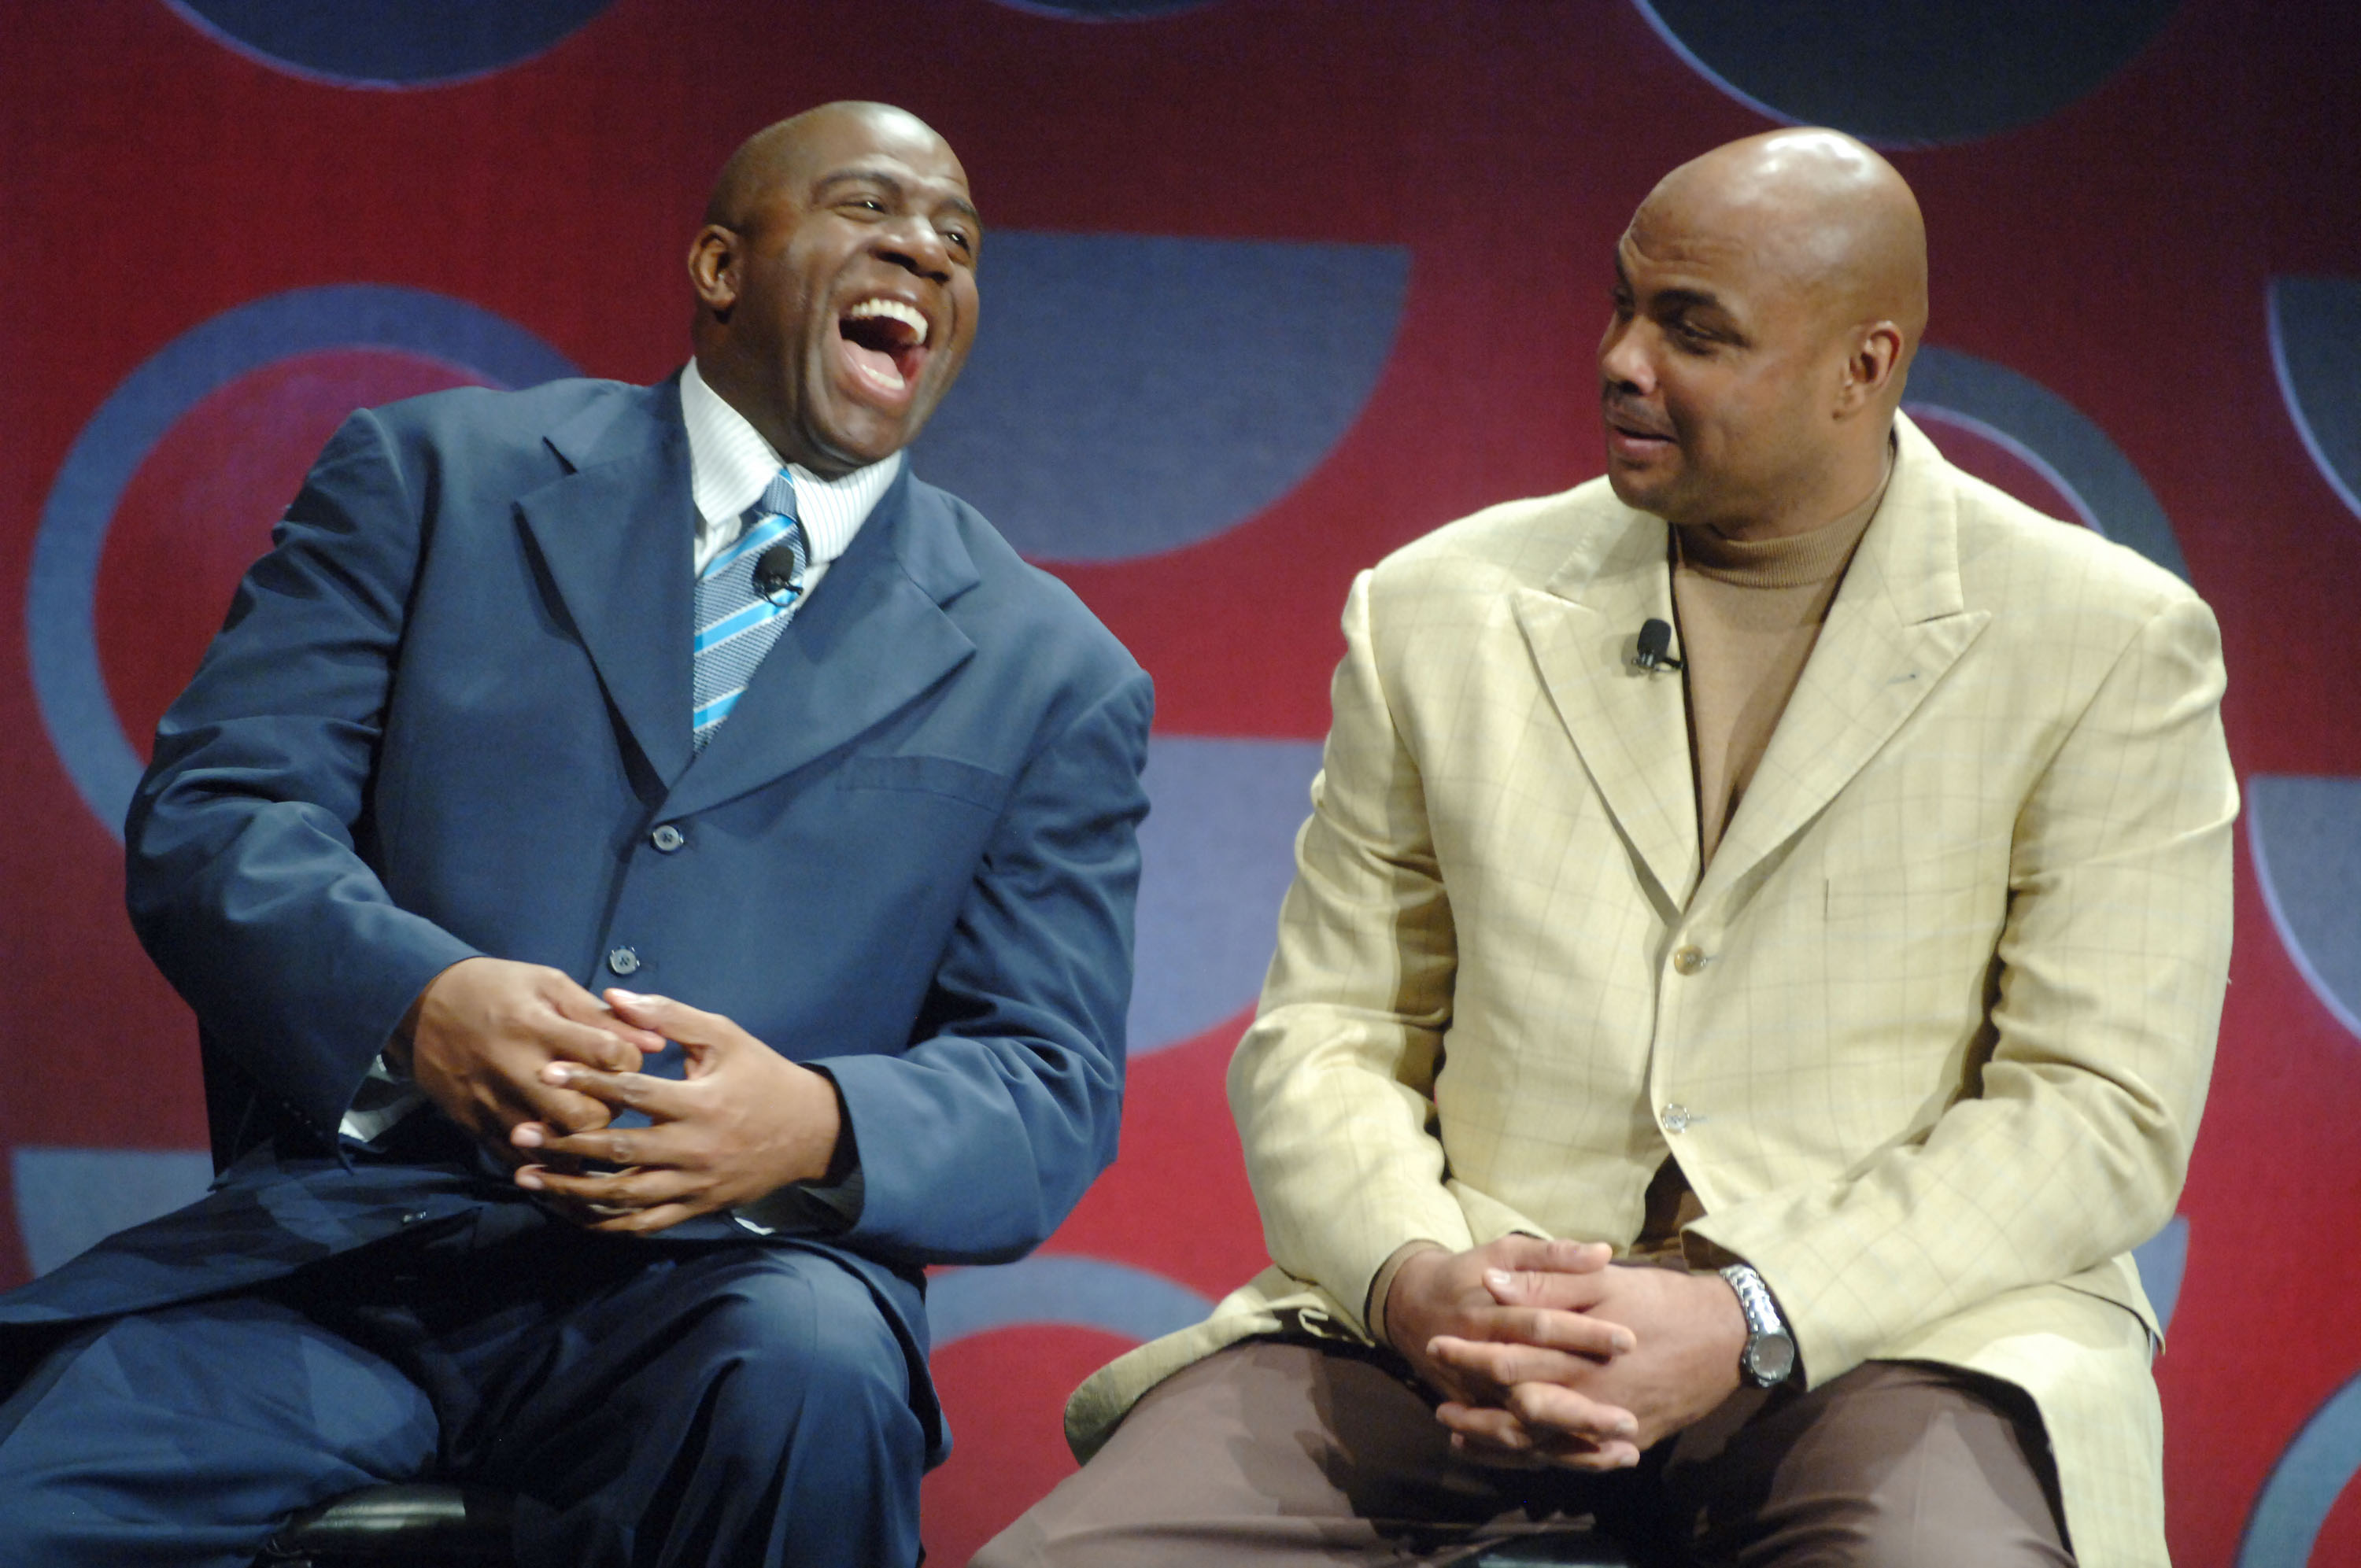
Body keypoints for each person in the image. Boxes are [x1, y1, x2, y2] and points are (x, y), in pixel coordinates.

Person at [977, 129, 2234, 1567]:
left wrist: (1753, 1309)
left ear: (1864, 366)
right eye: (1623, 305)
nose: (1624, 359)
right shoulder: (1440, 607)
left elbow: (2094, 1107)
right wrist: (1417, 1280)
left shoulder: (2106, 642)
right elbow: (1329, 1033)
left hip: (1893, 1337)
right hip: (1473, 1321)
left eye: (1692, 330)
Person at [0, 101, 1152, 1568]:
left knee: (810, 1378)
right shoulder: (431, 481)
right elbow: (220, 816)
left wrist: (808, 1121)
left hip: (734, 1297)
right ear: (723, 265)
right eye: (872, 208)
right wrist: (417, 1003)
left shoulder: (1051, 667)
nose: (923, 251)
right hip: (344, 1257)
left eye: (960, 240)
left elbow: (1044, 1077)